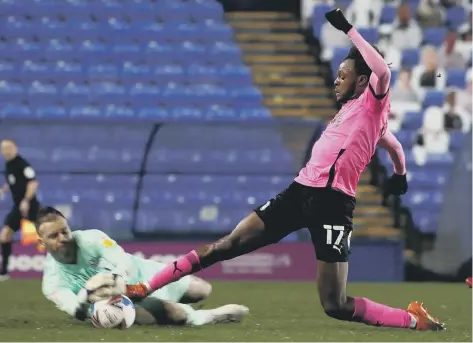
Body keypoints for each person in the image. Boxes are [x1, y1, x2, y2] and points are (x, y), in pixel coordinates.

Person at [127, 9, 445, 331]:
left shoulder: (374, 104)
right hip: (299, 192)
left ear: (362, 80)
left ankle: (412, 319)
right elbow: (395, 146)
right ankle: (147, 286)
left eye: (343, 74)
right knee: (226, 245)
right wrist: (400, 174)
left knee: (335, 304)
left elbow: (382, 72)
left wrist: (348, 29)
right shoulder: (355, 113)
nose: (337, 79)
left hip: (333, 205)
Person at [38, 206, 249, 326]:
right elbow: (74, 308)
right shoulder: (52, 282)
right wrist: (88, 297)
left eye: (64, 230)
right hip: (126, 303)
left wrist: (116, 279)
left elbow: (123, 261)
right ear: (42, 242)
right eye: (53, 235)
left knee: (203, 290)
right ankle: (209, 316)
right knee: (175, 314)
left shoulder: (91, 238)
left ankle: (178, 303)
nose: (63, 237)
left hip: (145, 274)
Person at [0, 139, 40, 281]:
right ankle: (4, 272)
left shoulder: (22, 163)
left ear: (15, 148)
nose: (6, 150)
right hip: (18, 207)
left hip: (30, 206)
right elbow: (13, 181)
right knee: (5, 235)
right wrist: (4, 189)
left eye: (9, 147)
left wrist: (26, 200)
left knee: (48, 237)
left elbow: (33, 182)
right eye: (3, 148)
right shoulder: (9, 164)